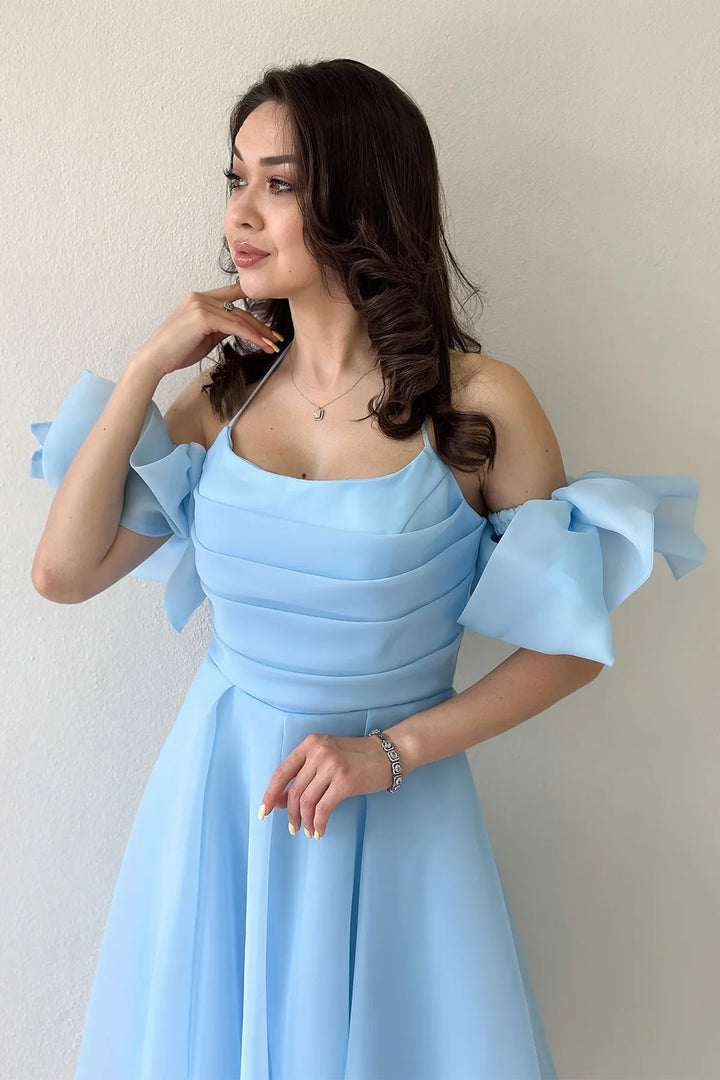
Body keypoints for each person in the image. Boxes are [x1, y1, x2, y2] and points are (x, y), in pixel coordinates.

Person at [28, 59, 706, 1080]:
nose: (240, 213)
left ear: (360, 199)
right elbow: (63, 574)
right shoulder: (220, 401)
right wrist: (143, 368)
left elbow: (570, 648)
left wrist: (391, 751)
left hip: (396, 804)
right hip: (223, 803)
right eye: (235, 178)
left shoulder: (478, 404)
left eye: (280, 183)